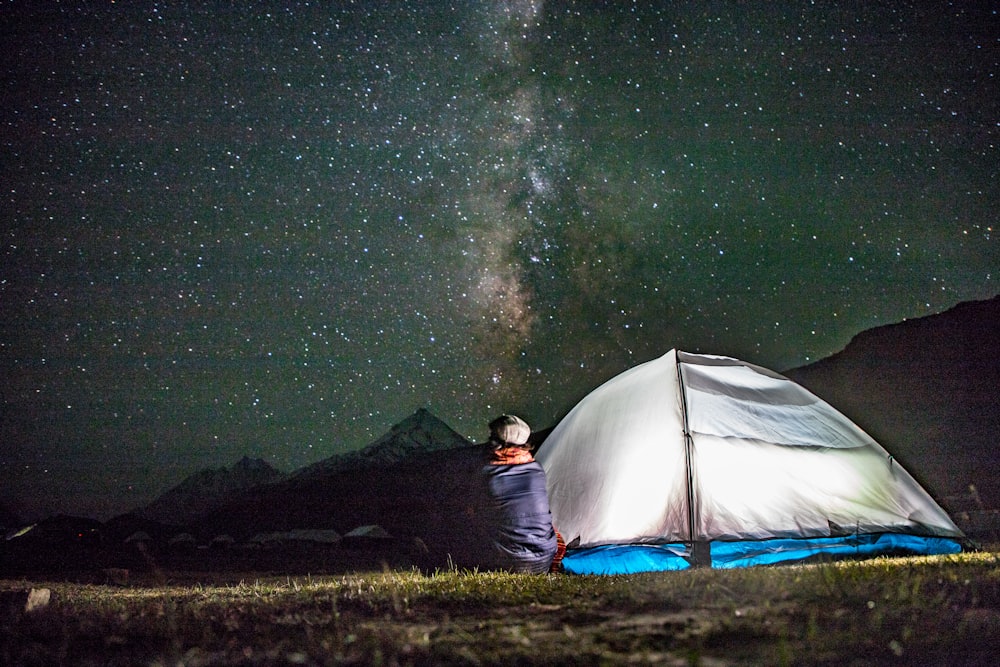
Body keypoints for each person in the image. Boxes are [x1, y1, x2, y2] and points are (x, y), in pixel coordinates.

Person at [481, 414, 564, 573]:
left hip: (508, 561)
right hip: (544, 558)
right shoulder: (536, 469)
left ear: (497, 443)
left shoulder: (489, 474)